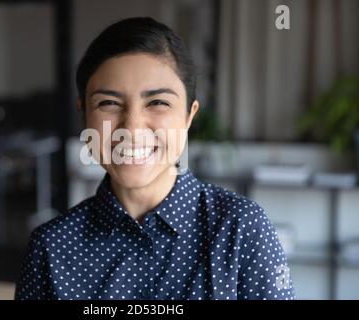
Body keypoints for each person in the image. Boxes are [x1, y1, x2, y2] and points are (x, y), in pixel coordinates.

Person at [15, 17, 295, 300]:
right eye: (108, 103)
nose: (131, 129)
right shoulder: (51, 247)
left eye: (158, 103)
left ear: (189, 115)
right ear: (84, 113)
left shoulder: (240, 229)